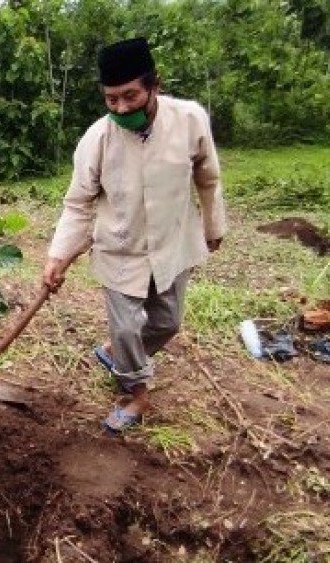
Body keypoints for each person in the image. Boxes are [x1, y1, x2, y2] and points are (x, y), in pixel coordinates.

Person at [41, 37, 227, 433]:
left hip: (172, 242)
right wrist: (57, 257)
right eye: (111, 100)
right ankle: (135, 394)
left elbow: (208, 178)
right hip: (120, 248)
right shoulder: (97, 139)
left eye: (130, 96)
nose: (122, 108)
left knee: (168, 323)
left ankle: (115, 354)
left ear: (154, 86)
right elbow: (78, 204)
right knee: (126, 328)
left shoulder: (190, 119)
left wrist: (214, 226)